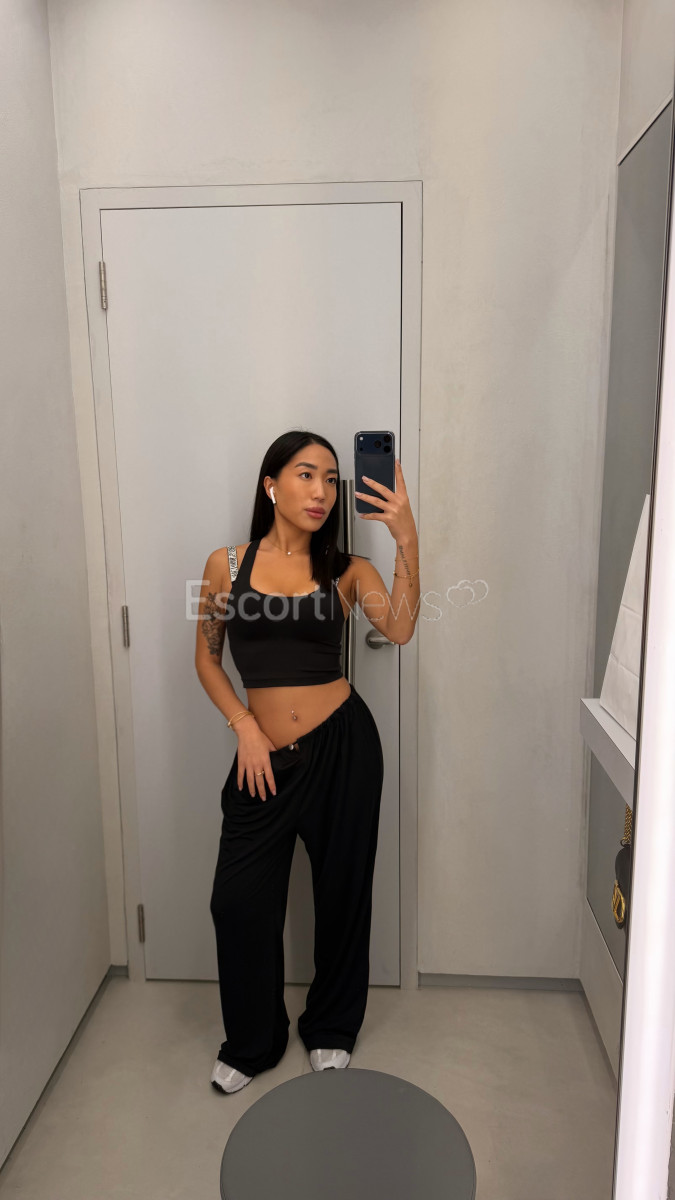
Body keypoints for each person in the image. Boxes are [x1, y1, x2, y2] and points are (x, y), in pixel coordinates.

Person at [194, 429, 420, 1094]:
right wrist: (243, 725)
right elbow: (206, 658)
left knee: (343, 894)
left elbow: (400, 627)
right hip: (261, 757)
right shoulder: (226, 565)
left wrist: (406, 538)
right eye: (304, 474)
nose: (321, 491)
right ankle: (254, 1040)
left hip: (344, 750)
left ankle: (331, 1027)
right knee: (237, 903)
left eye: (329, 478)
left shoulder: (348, 570)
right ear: (270, 485)